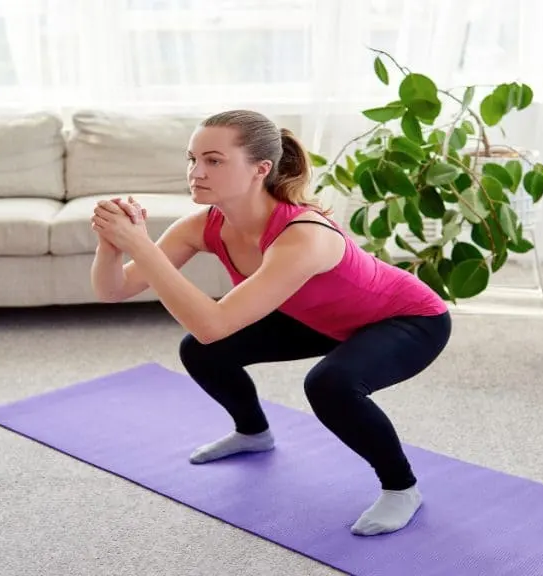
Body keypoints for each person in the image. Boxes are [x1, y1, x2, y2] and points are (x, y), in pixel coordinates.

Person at [89, 109, 451, 537]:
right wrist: (112, 245)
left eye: (213, 160)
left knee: (330, 384)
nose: (196, 172)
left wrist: (140, 245)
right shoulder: (204, 226)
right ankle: (253, 433)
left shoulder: (303, 235)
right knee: (200, 351)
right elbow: (115, 290)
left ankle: (401, 487)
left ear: (261, 169)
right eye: (192, 159)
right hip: (318, 317)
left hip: (407, 318)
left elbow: (214, 321)